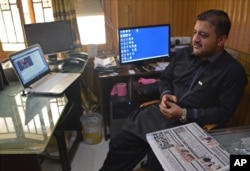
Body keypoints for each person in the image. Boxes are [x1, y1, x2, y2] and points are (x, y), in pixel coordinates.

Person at [99, 9, 248, 171]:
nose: (195, 40)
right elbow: (165, 79)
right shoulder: (183, 54)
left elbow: (223, 113)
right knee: (119, 144)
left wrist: (184, 113)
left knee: (159, 161)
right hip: (159, 115)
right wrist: (165, 94)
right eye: (195, 33)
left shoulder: (233, 72)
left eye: (203, 35)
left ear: (221, 40)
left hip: (190, 126)